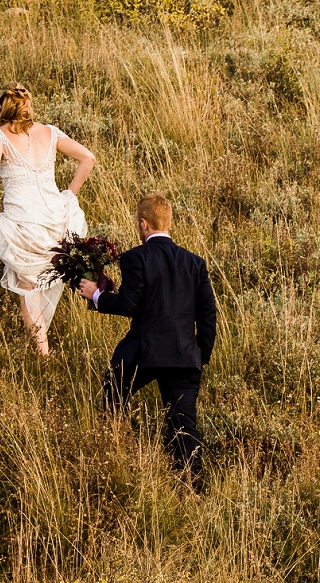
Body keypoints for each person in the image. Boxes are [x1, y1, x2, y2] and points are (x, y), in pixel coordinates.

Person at [79, 194, 218, 484]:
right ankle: (192, 487)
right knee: (184, 426)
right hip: (183, 356)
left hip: (144, 353)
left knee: (113, 392)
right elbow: (208, 316)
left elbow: (129, 304)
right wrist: (198, 354)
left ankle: (115, 454)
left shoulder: (135, 258)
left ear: (143, 224)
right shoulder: (195, 263)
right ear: (168, 222)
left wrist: (95, 294)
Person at [0, 84, 96, 356]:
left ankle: (42, 352)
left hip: (23, 219)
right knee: (42, 280)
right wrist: (69, 194)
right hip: (55, 216)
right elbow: (87, 158)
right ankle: (43, 343)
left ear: (3, 108)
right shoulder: (50, 131)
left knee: (26, 286)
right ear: (28, 106)